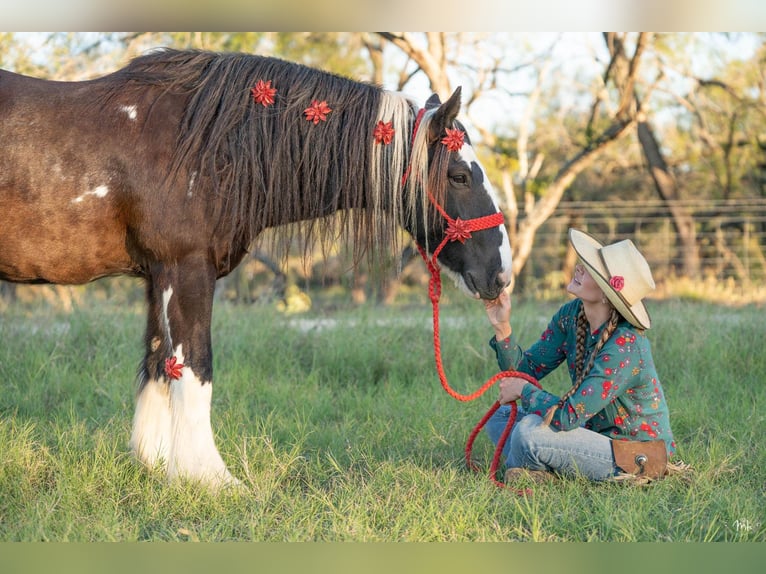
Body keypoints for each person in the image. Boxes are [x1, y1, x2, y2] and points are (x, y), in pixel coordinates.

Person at [483, 228, 676, 484]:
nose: (578, 268)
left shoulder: (626, 346)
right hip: (589, 432)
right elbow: (523, 372)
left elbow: (568, 416)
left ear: (608, 294)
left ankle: (533, 469)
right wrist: (502, 327)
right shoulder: (572, 315)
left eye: (590, 269)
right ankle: (537, 470)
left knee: (529, 431)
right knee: (501, 416)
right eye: (584, 263)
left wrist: (525, 391)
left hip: (630, 453)